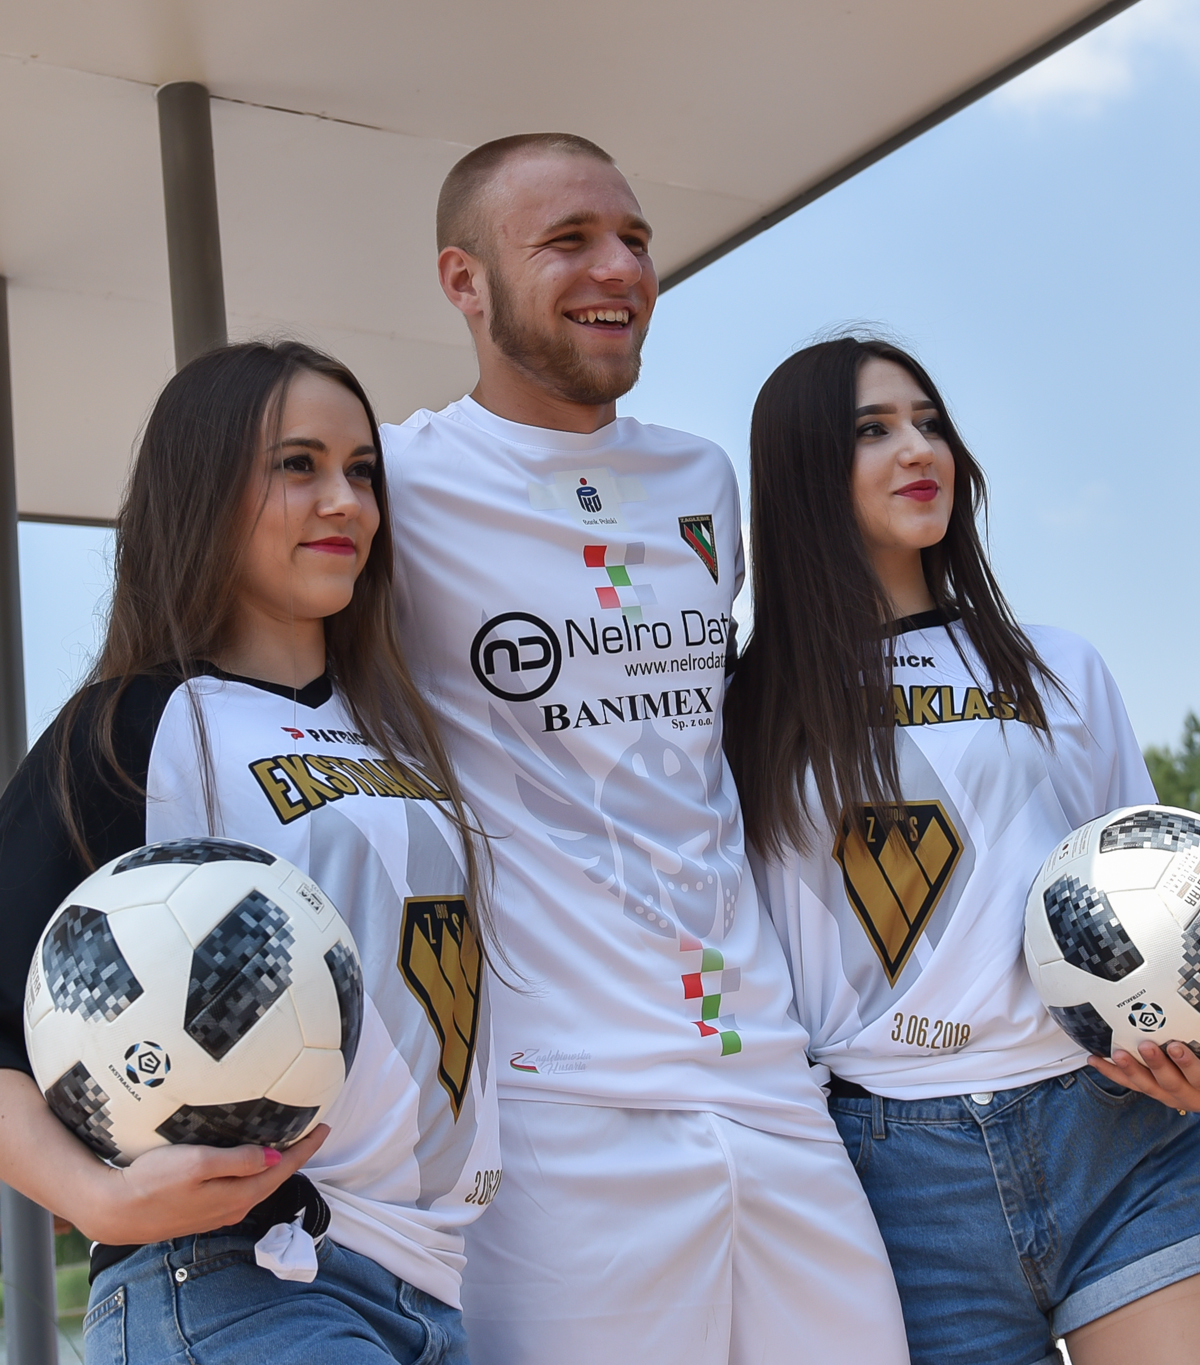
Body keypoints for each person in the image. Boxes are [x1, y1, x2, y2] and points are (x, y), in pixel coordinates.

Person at [0, 341, 498, 1364]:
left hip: (435, 1286)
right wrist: (98, 1199)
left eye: (362, 471)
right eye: (298, 465)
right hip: (239, 1280)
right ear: (202, 489)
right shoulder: (134, 726)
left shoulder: (402, 730)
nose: (345, 502)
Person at [382, 135, 910, 1364]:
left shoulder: (698, 477)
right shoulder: (397, 481)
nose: (617, 267)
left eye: (633, 239)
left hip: (767, 1081)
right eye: (566, 241)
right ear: (463, 281)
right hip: (557, 1110)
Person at [729, 335, 1200, 1365]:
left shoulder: (1058, 666)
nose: (917, 448)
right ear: (802, 470)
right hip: (889, 1175)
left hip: (1116, 1129)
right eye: (871, 430)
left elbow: (1159, 892)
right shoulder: (739, 710)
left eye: (929, 423)